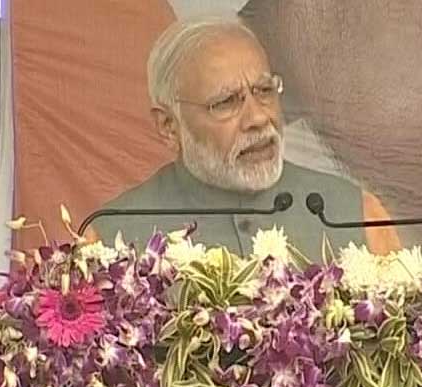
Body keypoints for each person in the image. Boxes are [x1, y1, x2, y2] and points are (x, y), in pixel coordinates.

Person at [92, 17, 400, 259]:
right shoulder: (110, 240)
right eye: (226, 102)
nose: (258, 118)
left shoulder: (353, 212)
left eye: (264, 91)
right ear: (169, 126)